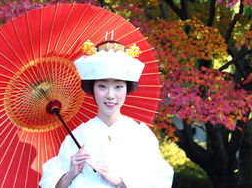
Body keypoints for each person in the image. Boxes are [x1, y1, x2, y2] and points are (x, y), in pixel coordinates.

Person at [39, 40, 174, 188]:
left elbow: (160, 180)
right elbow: (50, 182)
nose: (110, 95)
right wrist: (70, 174)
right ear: (93, 89)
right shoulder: (77, 136)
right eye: (102, 86)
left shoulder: (140, 135)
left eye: (118, 87)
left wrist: (121, 182)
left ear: (126, 89)